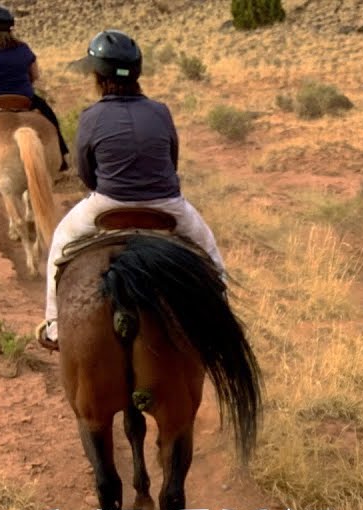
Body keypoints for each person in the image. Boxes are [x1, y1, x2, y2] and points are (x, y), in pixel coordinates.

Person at [36, 29, 226, 352]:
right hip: (168, 207)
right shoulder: (161, 111)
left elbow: (86, 172)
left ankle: (55, 326)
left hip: (107, 204)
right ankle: (219, 319)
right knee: (211, 255)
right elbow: (172, 159)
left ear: (98, 74)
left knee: (60, 243)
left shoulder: (91, 116)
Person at [0, 4, 68, 175]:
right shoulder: (24, 48)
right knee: (51, 118)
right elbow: (35, 75)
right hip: (25, 96)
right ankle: (62, 155)